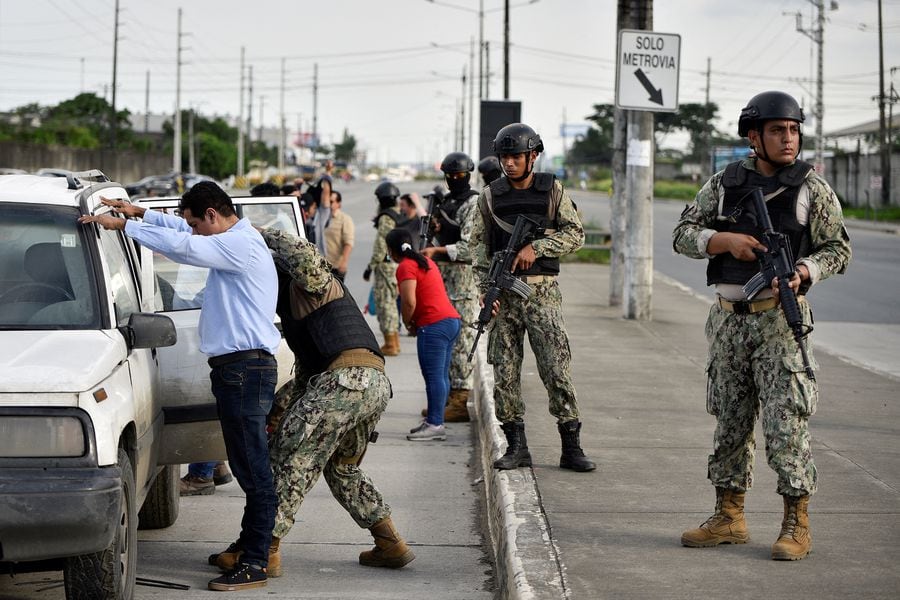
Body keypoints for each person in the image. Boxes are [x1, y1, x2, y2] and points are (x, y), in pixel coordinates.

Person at [673, 91, 851, 561]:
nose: (788, 138)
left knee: (785, 425)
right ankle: (728, 517)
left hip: (779, 322)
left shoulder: (813, 188)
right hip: (729, 322)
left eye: (793, 130)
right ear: (754, 137)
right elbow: (683, 234)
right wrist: (722, 240)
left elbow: (838, 248)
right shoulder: (722, 184)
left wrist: (806, 270)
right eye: (777, 130)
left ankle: (797, 521)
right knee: (729, 422)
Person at [79, 182, 280, 591]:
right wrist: (140, 214)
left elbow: (184, 248)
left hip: (246, 370)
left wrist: (123, 227)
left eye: (195, 222)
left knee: (254, 470)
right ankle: (247, 545)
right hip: (238, 370)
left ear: (211, 215)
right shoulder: (229, 238)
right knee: (246, 464)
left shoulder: (238, 246)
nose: (191, 229)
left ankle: (257, 560)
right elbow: (184, 235)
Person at [211, 228, 415, 575]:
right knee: (340, 467)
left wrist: (254, 233)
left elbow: (301, 250)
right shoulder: (298, 312)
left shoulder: (310, 281)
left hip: (346, 382)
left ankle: (264, 548)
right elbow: (307, 379)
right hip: (371, 384)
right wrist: (278, 412)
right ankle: (390, 542)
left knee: (288, 459)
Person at [471, 123, 596, 473]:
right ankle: (517, 446)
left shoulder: (552, 190)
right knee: (505, 373)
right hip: (504, 295)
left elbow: (576, 234)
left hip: (541, 293)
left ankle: (571, 446)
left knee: (556, 369)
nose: (509, 164)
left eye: (516, 157)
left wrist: (536, 247)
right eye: (504, 157)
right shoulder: (490, 196)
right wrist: (486, 292)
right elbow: (478, 250)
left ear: (533, 156)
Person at [420, 152, 480, 422]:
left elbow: (471, 247)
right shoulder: (447, 202)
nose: (455, 179)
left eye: (460, 175)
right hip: (442, 282)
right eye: (450, 175)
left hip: (463, 281)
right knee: (443, 344)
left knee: (462, 342)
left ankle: (459, 399)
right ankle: (443, 399)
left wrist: (438, 250)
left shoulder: (473, 203)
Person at [386, 228, 461, 441]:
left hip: (434, 325)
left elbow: (409, 301)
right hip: (450, 321)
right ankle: (434, 421)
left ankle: (435, 425)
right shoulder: (424, 262)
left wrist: (409, 323)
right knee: (441, 375)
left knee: (433, 376)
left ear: (391, 251)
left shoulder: (405, 267)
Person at [363, 181, 403, 356]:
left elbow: (381, 245)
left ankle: (390, 344)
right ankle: (394, 342)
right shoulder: (398, 214)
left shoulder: (386, 217)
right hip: (395, 264)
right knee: (391, 304)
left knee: (384, 304)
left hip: (385, 265)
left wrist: (370, 267)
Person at [322, 190, 355, 281]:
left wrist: (344, 262)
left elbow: (348, 242)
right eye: (327, 201)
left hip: (335, 266)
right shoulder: (320, 218)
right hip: (320, 266)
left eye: (331, 202)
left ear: (338, 204)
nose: (329, 204)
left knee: (335, 294)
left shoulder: (345, 219)